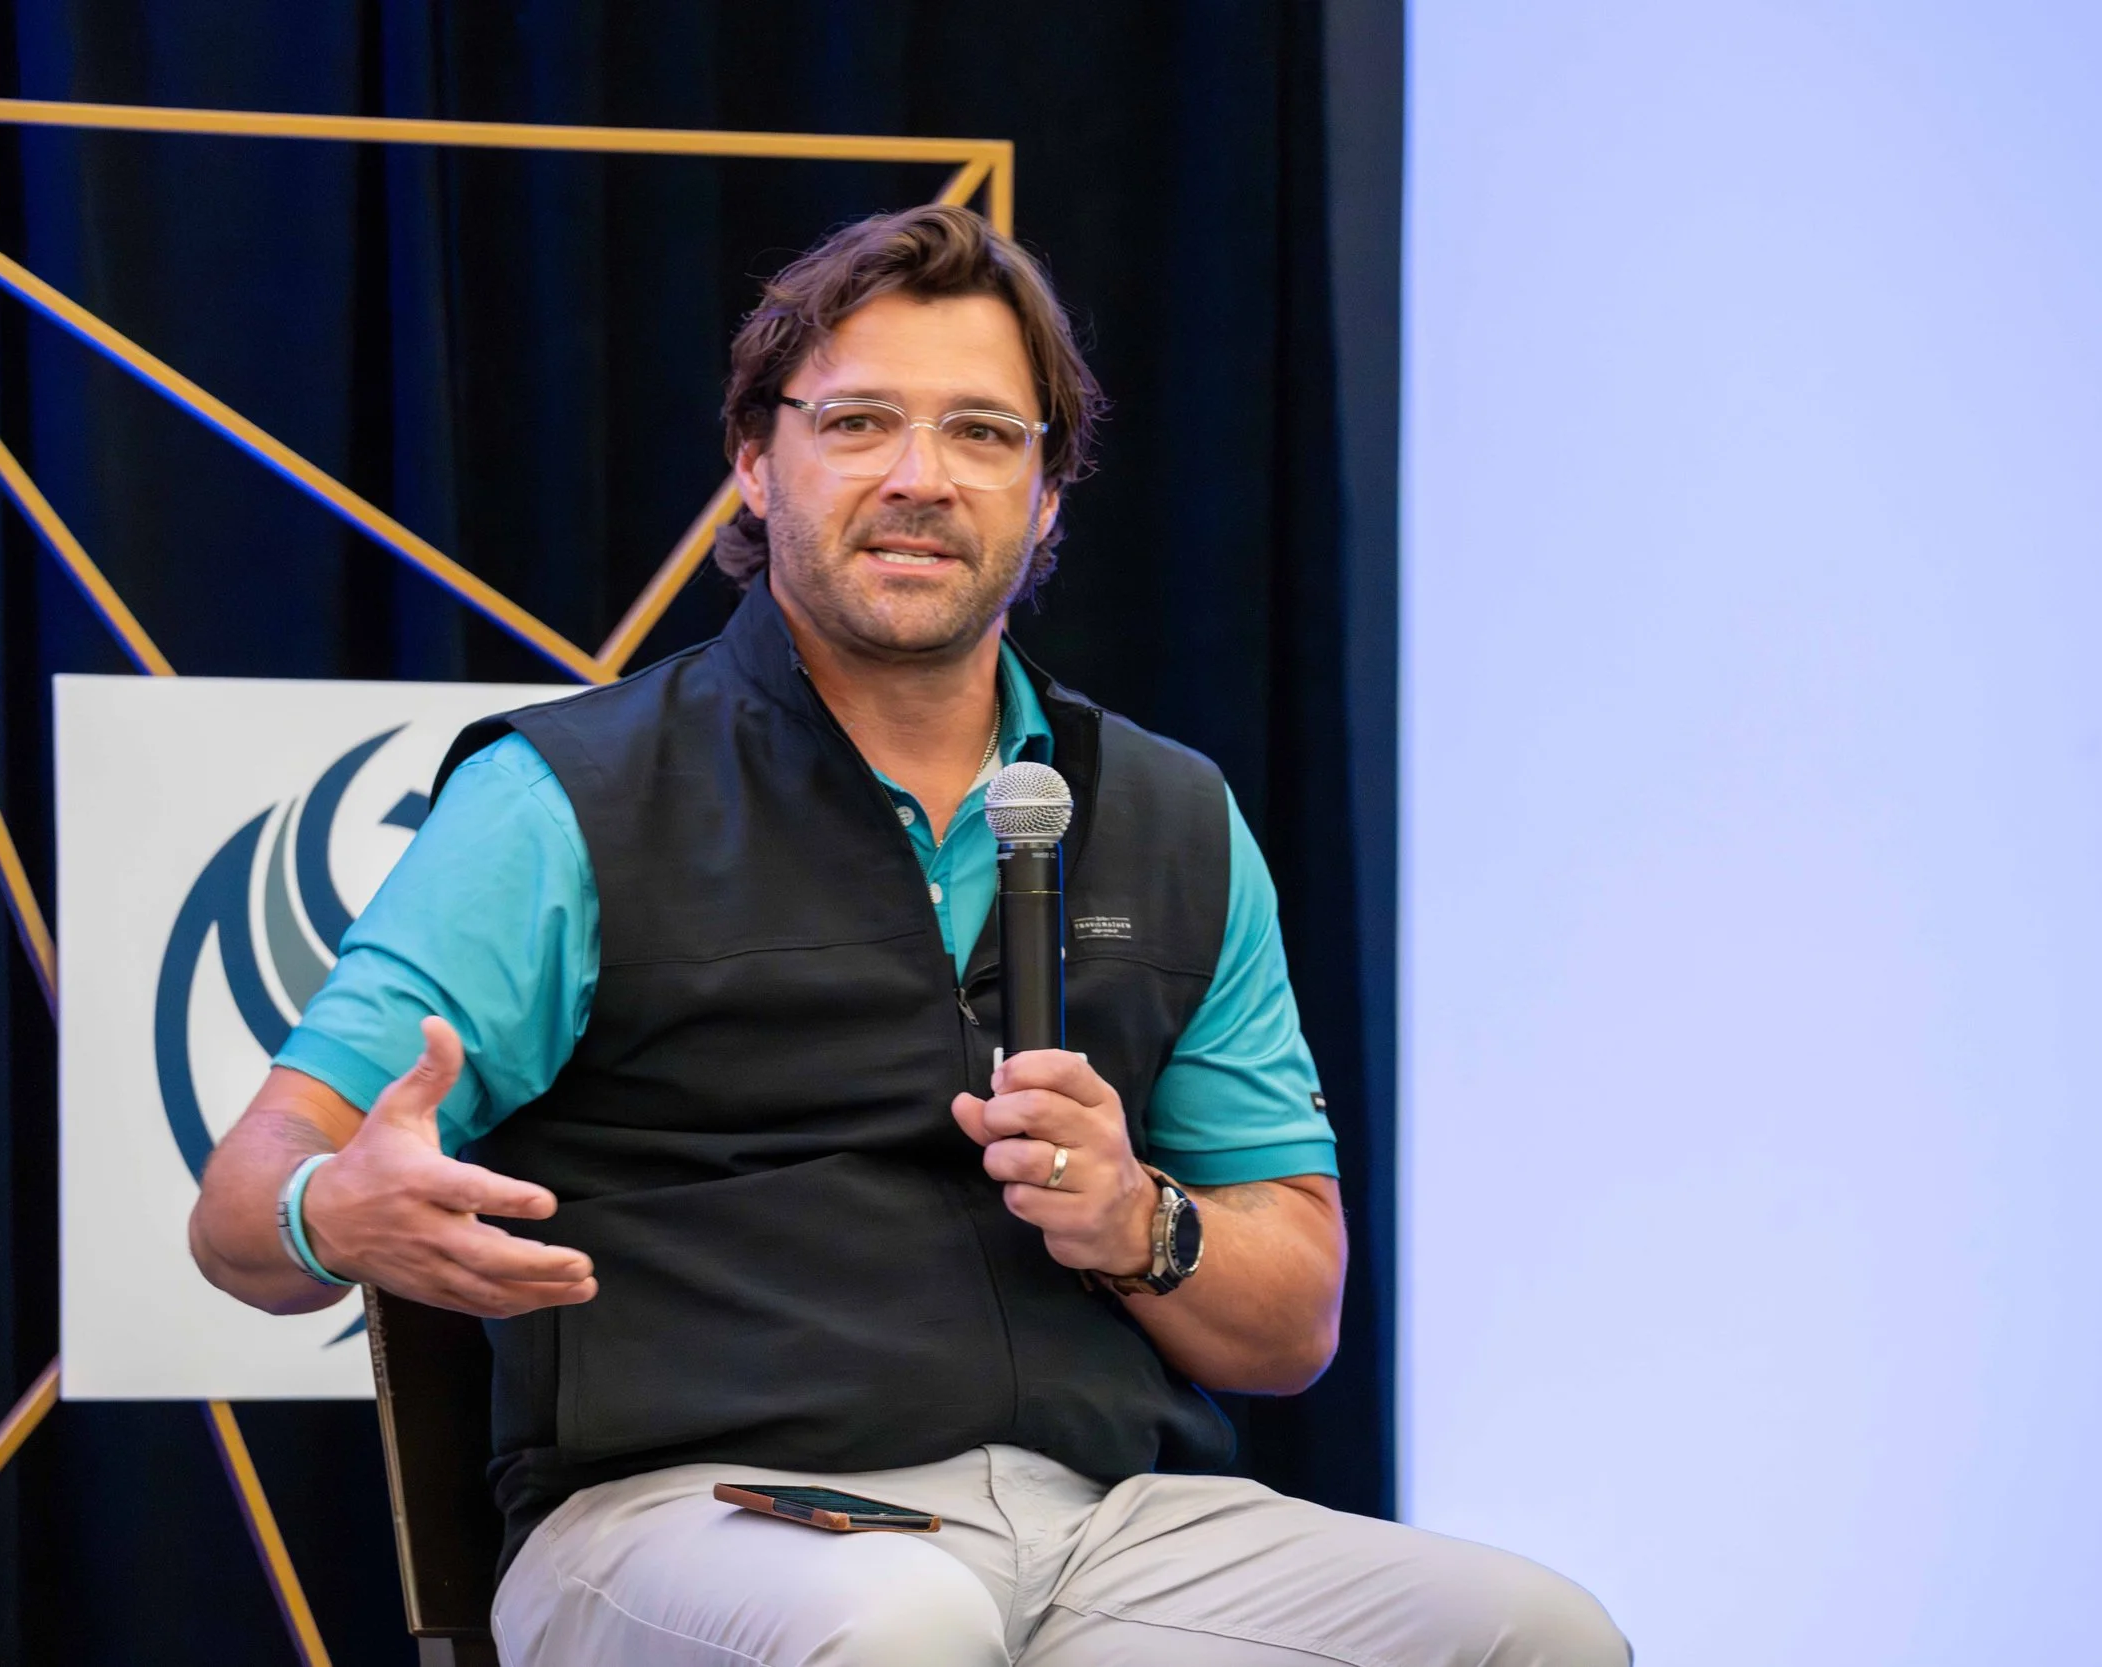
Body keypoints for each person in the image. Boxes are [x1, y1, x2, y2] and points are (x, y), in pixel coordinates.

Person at [189, 204, 1626, 1666]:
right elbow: (240, 1209)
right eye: (860, 421)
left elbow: (1288, 1323)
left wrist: (1145, 1221)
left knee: (1534, 1633)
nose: (921, 478)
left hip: (1102, 1526)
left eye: (986, 434)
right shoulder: (566, 800)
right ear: (755, 463)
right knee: (903, 1631)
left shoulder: (1174, 813)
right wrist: (328, 1211)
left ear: (1050, 492)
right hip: (701, 1513)